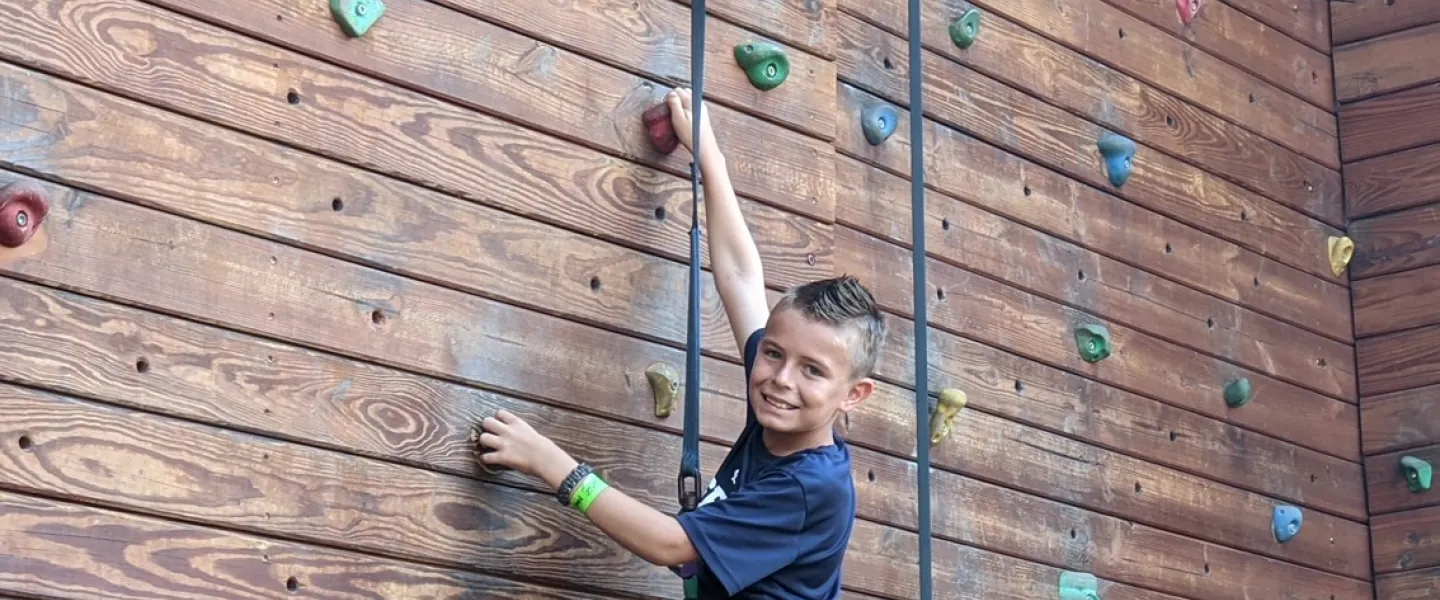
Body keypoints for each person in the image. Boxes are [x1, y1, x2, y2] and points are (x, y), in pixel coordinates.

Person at [474, 87, 886, 599]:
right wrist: (708, 154)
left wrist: (549, 461)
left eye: (813, 371)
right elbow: (739, 276)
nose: (781, 378)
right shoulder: (781, 400)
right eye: (774, 353)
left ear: (854, 394)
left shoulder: (811, 488)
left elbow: (670, 544)